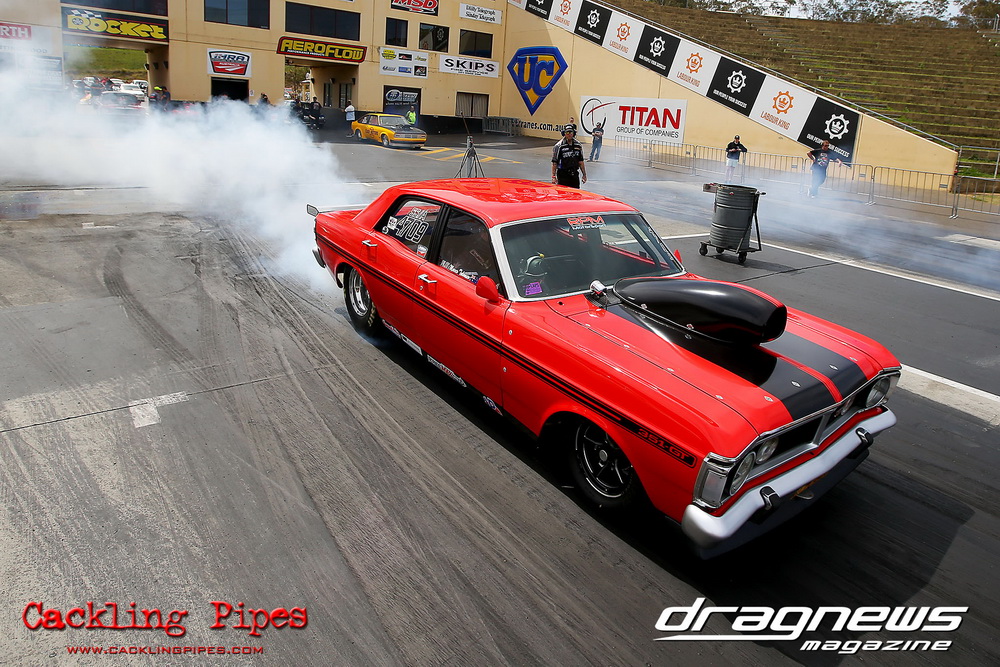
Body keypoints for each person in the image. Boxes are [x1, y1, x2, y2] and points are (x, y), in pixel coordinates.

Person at [551, 124, 587, 188]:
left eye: (571, 132)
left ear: (574, 133)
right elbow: (554, 162)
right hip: (563, 175)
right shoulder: (559, 146)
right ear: (564, 133)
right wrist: (553, 176)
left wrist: (584, 175)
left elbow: (581, 161)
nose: (569, 134)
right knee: (563, 192)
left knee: (575, 192)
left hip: (574, 174)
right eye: (567, 132)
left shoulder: (578, 145)